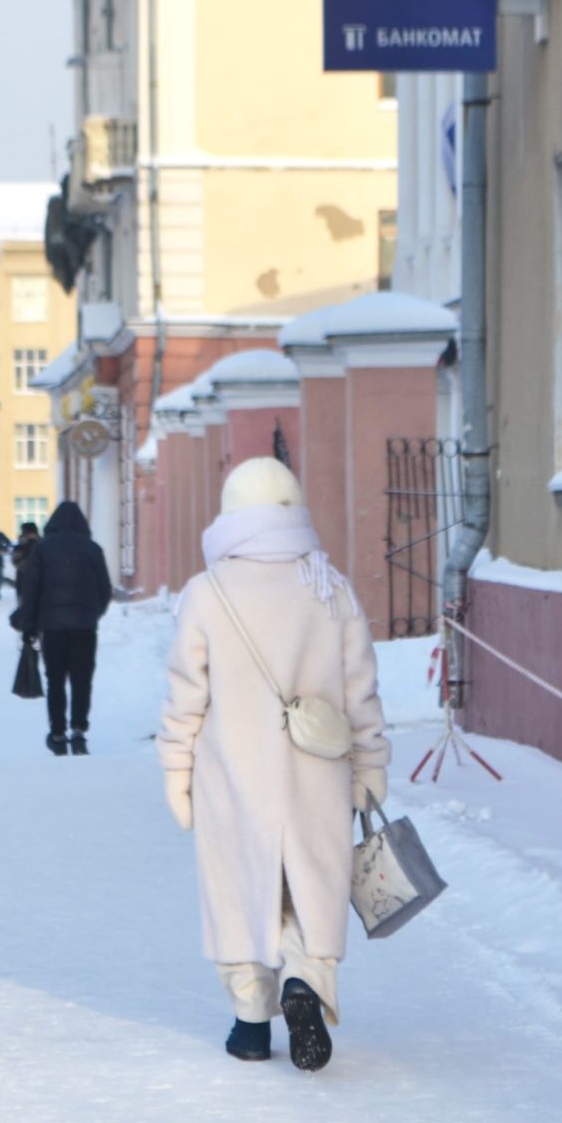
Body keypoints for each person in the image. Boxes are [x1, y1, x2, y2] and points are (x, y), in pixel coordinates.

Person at [157, 458, 388, 1072]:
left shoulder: (208, 592)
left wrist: (177, 772)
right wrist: (370, 767)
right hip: (317, 769)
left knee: (239, 887)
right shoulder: (328, 586)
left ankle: (251, 1023)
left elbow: (186, 695)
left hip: (233, 774)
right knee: (310, 882)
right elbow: (361, 689)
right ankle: (306, 984)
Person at [11, 502, 112, 756]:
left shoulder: (43, 550)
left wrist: (30, 624)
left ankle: (57, 734)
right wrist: (91, 614)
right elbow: (105, 590)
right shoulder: (92, 549)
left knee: (55, 679)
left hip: (52, 628)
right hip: (84, 628)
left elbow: (31, 589)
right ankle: (78, 731)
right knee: (82, 679)